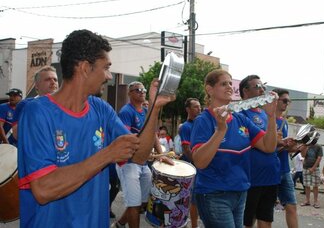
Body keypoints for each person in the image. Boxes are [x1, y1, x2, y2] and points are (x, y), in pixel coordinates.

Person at [17, 29, 174, 228]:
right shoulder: (36, 113)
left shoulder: (101, 109)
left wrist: (154, 108)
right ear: (84, 67)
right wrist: (107, 154)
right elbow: (43, 189)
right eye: (106, 67)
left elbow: (139, 156)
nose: (108, 75)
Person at [190, 69, 278, 228]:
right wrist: (220, 130)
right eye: (224, 84)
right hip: (214, 195)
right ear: (210, 89)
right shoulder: (204, 120)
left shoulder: (240, 118)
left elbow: (268, 146)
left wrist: (271, 117)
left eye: (231, 83)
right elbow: (200, 162)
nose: (230, 87)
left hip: (240, 192)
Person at [116, 81, 169, 228]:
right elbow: (125, 137)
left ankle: (120, 224)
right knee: (134, 204)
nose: (142, 91)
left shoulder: (146, 111)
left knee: (144, 202)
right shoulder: (126, 112)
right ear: (130, 93)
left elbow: (153, 135)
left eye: (143, 89)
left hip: (144, 163)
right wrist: (143, 149)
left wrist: (161, 154)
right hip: (129, 163)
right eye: (137, 89)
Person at [238, 75, 280, 228]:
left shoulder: (266, 113)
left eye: (263, 87)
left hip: (271, 176)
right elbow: (257, 142)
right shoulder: (240, 114)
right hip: (252, 178)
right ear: (245, 91)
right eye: (257, 86)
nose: (262, 90)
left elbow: (272, 143)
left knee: (266, 220)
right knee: (247, 221)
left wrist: (284, 143)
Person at [272, 88, 299, 228]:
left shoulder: (284, 122)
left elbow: (282, 148)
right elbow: (265, 147)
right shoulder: (266, 120)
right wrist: (281, 144)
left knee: (292, 206)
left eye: (288, 101)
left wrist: (292, 146)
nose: (286, 104)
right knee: (262, 211)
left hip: (284, 169)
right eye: (284, 100)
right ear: (275, 100)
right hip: (269, 171)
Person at [12, 65, 59, 139]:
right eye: (48, 79)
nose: (53, 82)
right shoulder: (25, 105)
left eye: (55, 79)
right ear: (37, 85)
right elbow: (17, 135)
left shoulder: (65, 105)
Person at [179, 97, 202, 228]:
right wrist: (198, 162)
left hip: (202, 166)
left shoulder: (202, 123)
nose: (199, 109)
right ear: (188, 109)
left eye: (199, 106)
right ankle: (194, 225)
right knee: (192, 199)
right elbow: (186, 149)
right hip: (192, 167)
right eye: (195, 107)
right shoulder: (186, 127)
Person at [299, 140, 323, 208]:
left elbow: (319, 158)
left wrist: (313, 168)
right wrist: (304, 147)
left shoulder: (318, 146)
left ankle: (315, 201)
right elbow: (303, 155)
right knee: (307, 185)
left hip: (315, 168)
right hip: (306, 168)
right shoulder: (306, 145)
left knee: (315, 186)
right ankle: (307, 200)